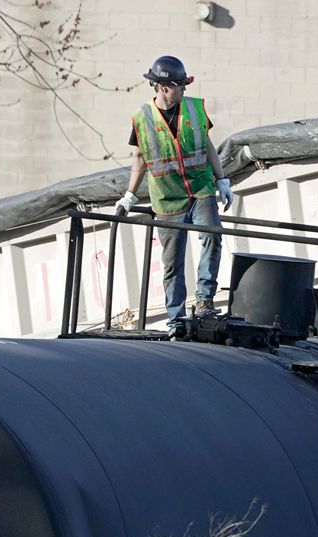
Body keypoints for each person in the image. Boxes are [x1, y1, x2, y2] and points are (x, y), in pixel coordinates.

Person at [115, 55, 234, 337]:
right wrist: (129, 196)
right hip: (168, 199)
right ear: (164, 87)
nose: (184, 90)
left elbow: (207, 146)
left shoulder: (194, 109)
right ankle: (176, 320)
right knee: (172, 262)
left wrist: (222, 180)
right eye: (180, 85)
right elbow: (140, 159)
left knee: (212, 235)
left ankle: (205, 299)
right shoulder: (142, 119)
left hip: (200, 189)